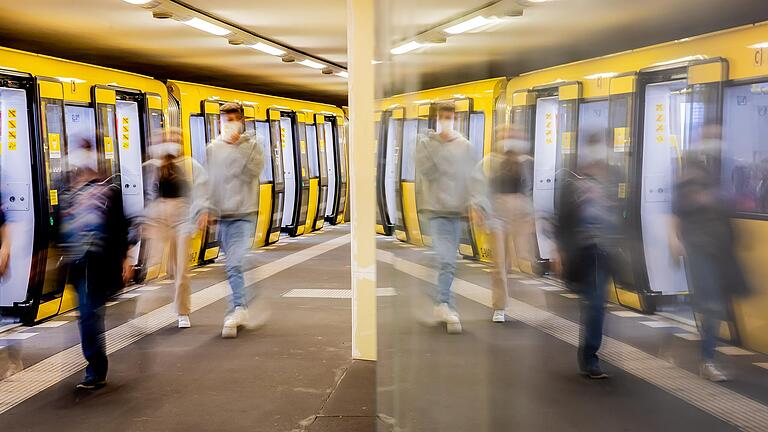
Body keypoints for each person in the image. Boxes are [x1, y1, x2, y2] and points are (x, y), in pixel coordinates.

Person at [670, 129, 751, 382]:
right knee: (713, 305)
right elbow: (676, 212)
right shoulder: (690, 178)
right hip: (700, 248)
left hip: (718, 250)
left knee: (716, 303)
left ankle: (708, 352)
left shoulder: (715, 180)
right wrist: (675, 240)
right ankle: (707, 359)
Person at [60, 138, 135, 389]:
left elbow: (120, 226)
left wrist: (126, 259)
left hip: (98, 262)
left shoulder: (109, 191)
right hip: (75, 262)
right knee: (87, 314)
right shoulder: (67, 191)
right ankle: (95, 366)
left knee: (89, 314)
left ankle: (95, 370)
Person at [555, 133, 618, 379]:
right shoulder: (573, 182)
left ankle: (591, 353)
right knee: (595, 303)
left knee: (597, 303)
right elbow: (563, 219)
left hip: (607, 249)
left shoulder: (613, 180)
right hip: (585, 249)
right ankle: (590, 358)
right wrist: (559, 251)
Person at [415, 103, 476, 334]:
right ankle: (445, 304)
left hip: (456, 212)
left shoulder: (465, 146)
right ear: (436, 119)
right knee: (447, 260)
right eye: (442, 117)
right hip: (436, 210)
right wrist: (435, 143)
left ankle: (442, 302)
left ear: (456, 118)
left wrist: (473, 205)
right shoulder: (426, 144)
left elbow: (470, 177)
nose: (446, 121)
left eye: (449, 117)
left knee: (448, 260)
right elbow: (428, 171)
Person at [206, 103, 264, 338]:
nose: (229, 123)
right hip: (223, 216)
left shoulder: (253, 146)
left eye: (233, 119)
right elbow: (212, 180)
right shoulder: (213, 148)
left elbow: (253, 172)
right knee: (233, 264)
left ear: (241, 120)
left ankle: (237, 308)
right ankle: (246, 298)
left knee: (234, 264)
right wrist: (208, 209)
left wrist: (238, 145)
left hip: (244, 213)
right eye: (225, 119)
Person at [142, 128, 209, 328]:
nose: (172, 142)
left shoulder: (190, 166)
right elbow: (146, 195)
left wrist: (203, 211)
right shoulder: (152, 166)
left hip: (183, 218)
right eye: (168, 139)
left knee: (181, 268)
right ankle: (144, 308)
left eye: (176, 139)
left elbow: (202, 190)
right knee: (153, 262)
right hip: (160, 219)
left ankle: (183, 311)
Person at [474, 127, 534, 323]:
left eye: (514, 137)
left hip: (519, 218)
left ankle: (527, 298)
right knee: (499, 263)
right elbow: (478, 187)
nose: (509, 141)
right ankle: (499, 307)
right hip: (497, 216)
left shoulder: (526, 163)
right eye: (505, 137)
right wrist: (479, 209)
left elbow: (531, 191)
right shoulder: (490, 162)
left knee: (518, 259)